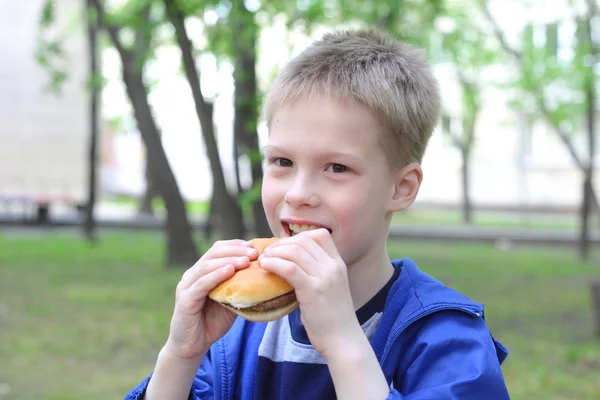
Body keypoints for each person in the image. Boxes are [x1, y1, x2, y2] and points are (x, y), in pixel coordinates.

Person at [125, 28, 510, 400]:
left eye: (337, 168)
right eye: (282, 161)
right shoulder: (237, 333)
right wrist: (180, 355)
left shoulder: (446, 339)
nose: (298, 193)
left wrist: (343, 343)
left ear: (401, 187)